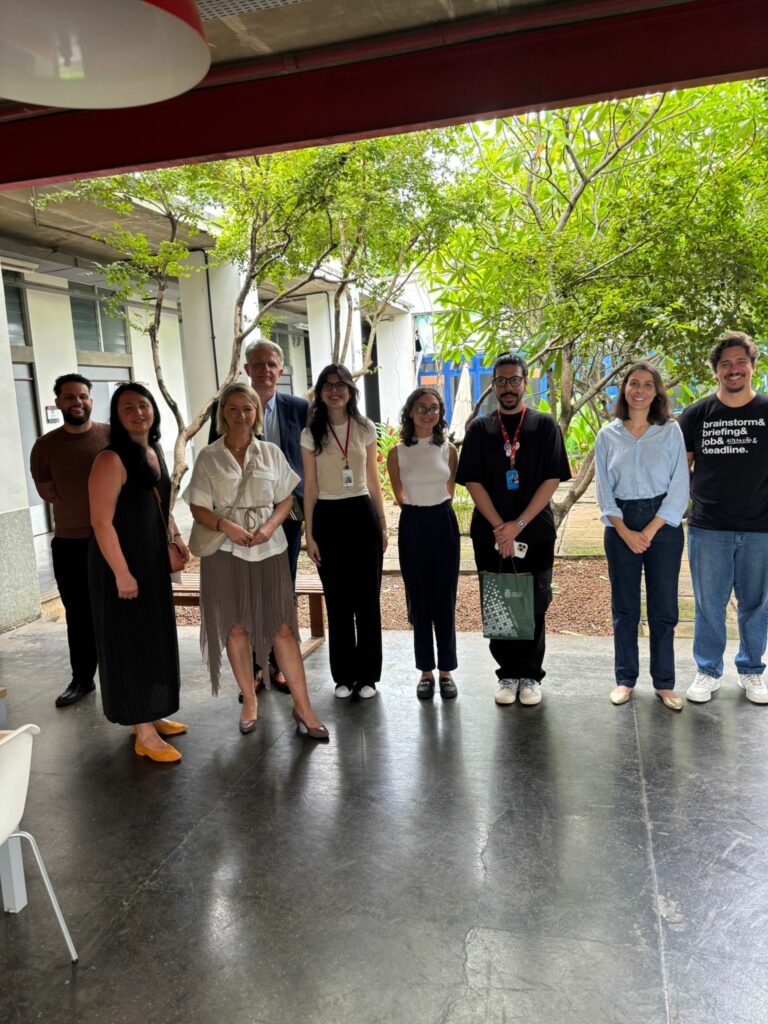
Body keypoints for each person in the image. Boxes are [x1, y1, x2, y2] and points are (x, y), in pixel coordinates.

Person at [185, 382, 328, 740]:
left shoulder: (271, 453)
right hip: (225, 552)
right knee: (236, 628)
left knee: (283, 628)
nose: (241, 415)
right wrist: (225, 525)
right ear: (223, 414)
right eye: (233, 408)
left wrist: (270, 526)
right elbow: (198, 506)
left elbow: (286, 500)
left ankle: (303, 707)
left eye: (247, 408)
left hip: (269, 549)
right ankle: (250, 700)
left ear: (257, 413)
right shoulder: (209, 457)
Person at [456, 352, 571, 707]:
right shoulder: (479, 429)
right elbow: (472, 481)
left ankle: (531, 675)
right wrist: (499, 528)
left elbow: (552, 478)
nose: (508, 387)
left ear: (525, 383)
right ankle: (507, 674)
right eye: (502, 381)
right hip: (490, 532)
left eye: (515, 380)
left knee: (535, 602)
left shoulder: (545, 426)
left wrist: (517, 525)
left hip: (534, 530)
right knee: (500, 600)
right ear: (493, 385)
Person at [88, 383, 189, 763]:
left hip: (151, 561)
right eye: (127, 407)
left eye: (143, 405)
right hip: (121, 564)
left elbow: (161, 504)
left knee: (152, 637)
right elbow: (101, 522)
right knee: (129, 642)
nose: (137, 413)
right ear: (116, 416)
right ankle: (144, 732)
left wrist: (176, 538)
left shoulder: (152, 451)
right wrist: (121, 573)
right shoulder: (110, 459)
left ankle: (150, 713)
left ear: (153, 411)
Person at [209, 338, 308, 693]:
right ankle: (253, 667)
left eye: (271, 364)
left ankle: (279, 663)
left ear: (280, 371)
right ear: (247, 369)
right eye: (258, 364)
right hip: (240, 519)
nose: (265, 370)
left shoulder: (300, 408)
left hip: (287, 514)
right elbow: (215, 457)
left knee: (281, 589)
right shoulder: (226, 406)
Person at [679, 331, 768, 705]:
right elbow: (681, 470)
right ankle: (708, 671)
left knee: (756, 604)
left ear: (753, 366)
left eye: (740, 362)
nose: (734, 369)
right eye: (726, 364)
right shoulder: (696, 414)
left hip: (760, 528)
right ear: (716, 370)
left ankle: (752, 671)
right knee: (708, 605)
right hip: (708, 527)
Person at [595, 362, 689, 711]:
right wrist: (624, 531)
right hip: (620, 523)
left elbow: (679, 487)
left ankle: (664, 683)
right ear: (624, 389)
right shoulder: (608, 435)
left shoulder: (671, 432)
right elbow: (603, 491)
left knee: (664, 607)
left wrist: (648, 531)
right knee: (625, 608)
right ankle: (625, 679)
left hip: (663, 525)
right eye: (633, 383)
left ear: (657, 392)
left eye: (648, 385)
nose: (640, 390)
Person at [301, 364, 387, 700]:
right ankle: (344, 676)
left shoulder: (364, 427)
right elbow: (310, 485)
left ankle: (368, 677)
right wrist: (310, 534)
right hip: (328, 516)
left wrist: (382, 523)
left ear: (351, 390)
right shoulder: (311, 433)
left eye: (341, 385)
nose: (334, 391)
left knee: (367, 600)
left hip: (363, 514)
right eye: (328, 385)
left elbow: (373, 479)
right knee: (337, 601)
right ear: (320, 392)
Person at [30, 374, 110, 708]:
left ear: (91, 399)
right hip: (69, 543)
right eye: (69, 397)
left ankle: (122, 678)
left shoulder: (110, 436)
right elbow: (47, 491)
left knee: (115, 612)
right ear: (58, 402)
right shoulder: (45, 446)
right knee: (78, 615)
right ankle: (82, 680)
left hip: (111, 542)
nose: (77, 402)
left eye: (82, 396)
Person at [387, 387, 460, 699]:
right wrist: (419, 511)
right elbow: (399, 494)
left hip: (443, 523)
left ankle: (446, 671)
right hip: (413, 523)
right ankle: (426, 671)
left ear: (440, 413)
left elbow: (450, 488)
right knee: (419, 600)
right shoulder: (397, 453)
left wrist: (434, 508)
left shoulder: (449, 450)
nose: (428, 414)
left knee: (445, 599)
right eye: (421, 407)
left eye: (434, 408)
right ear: (410, 411)